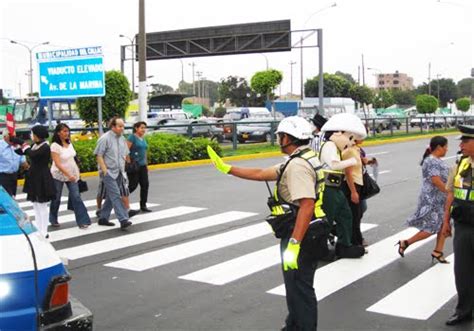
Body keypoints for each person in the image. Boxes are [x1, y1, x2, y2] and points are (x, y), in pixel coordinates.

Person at [207, 116, 328, 330]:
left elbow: (307, 205)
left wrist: (294, 243)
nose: (278, 139)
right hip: (310, 231)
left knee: (300, 290)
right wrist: (227, 168)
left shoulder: (298, 166)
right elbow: (262, 173)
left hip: (301, 234)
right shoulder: (304, 157)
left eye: (280, 136)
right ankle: (293, 326)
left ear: (289, 138)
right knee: (296, 287)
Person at [319, 113, 367, 258]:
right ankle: (320, 249)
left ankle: (344, 245)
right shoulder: (329, 145)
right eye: (349, 138)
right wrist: (351, 162)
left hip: (336, 187)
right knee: (327, 219)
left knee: (346, 215)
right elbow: (334, 165)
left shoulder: (336, 147)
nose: (351, 142)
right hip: (327, 188)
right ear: (338, 133)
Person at [397, 136, 450, 263]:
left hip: (440, 198)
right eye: (446, 147)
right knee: (431, 228)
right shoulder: (432, 161)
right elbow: (436, 180)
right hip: (432, 199)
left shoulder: (435, 160)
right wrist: (449, 192)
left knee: (444, 224)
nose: (447, 150)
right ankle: (406, 243)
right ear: (439, 147)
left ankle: (438, 251)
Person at [441, 125, 474, 326]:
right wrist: (446, 222)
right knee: (463, 271)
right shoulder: (460, 164)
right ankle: (464, 310)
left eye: (465, 141)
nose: (461, 145)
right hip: (463, 225)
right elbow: (451, 194)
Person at [49, 123, 91, 229]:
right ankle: (53, 218)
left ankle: (83, 221)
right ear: (58, 133)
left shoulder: (69, 143)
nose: (66, 133)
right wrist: (68, 174)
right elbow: (57, 164)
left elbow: (73, 158)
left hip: (73, 174)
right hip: (58, 175)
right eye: (64, 131)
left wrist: (77, 172)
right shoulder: (55, 145)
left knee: (76, 196)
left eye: (67, 131)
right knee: (56, 198)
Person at [94, 117, 132, 230]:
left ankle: (103, 218)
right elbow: (98, 155)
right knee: (116, 195)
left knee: (111, 196)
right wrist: (105, 170)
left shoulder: (122, 139)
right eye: (120, 126)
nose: (122, 128)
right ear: (113, 127)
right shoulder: (104, 138)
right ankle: (123, 218)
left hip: (120, 171)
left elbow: (125, 154)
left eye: (123, 126)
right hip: (108, 172)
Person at [21, 125, 56, 238]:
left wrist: (23, 145)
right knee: (35, 204)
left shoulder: (45, 146)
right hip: (33, 176)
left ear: (37, 135)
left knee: (42, 205)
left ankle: (44, 230)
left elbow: (32, 155)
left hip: (42, 177)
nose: (31, 136)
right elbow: (23, 152)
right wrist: (15, 143)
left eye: (32, 133)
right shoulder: (35, 145)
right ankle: (39, 228)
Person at [342, 140, 364, 247]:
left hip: (358, 185)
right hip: (352, 185)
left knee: (357, 214)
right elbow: (348, 173)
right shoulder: (349, 151)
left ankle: (357, 241)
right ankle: (355, 243)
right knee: (354, 215)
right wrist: (353, 192)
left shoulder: (356, 149)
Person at [127, 121, 151, 212]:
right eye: (141, 127)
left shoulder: (143, 138)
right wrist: (129, 163)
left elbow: (145, 152)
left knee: (145, 185)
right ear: (136, 128)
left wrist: (146, 164)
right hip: (134, 165)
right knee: (133, 185)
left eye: (144, 128)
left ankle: (143, 205)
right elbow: (126, 150)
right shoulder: (132, 137)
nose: (143, 129)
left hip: (143, 165)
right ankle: (121, 197)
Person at [0, 129, 28, 197]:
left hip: (14, 176)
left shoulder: (17, 146)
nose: (13, 139)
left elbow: (23, 161)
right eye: (11, 137)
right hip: (2, 176)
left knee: (12, 196)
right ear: (5, 137)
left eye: (15, 137)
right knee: (5, 199)